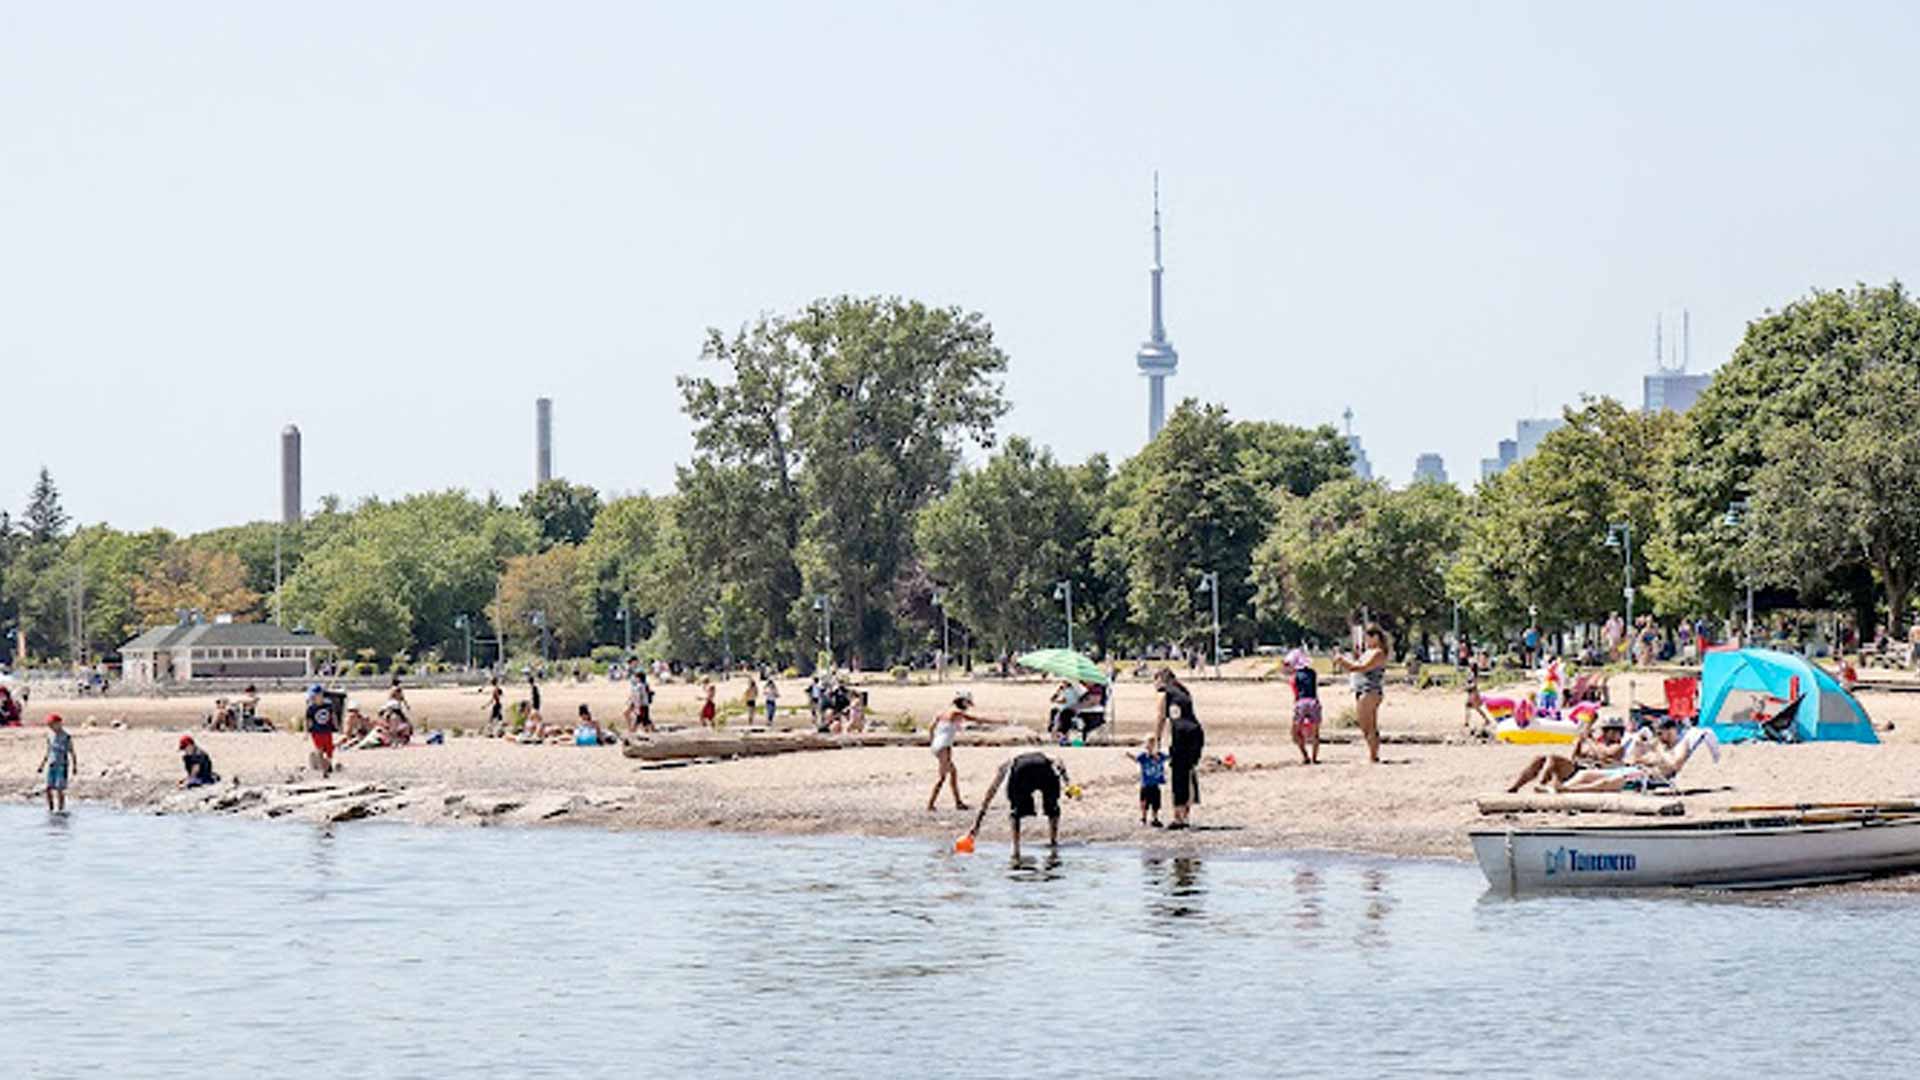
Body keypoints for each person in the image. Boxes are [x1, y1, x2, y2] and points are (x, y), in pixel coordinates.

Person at [1555, 716, 1719, 793]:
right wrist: (1641, 750)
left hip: (1651, 777)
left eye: (1661, 733)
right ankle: (1563, 788)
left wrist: (1658, 752)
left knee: (1611, 781)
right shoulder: (1659, 744)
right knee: (1586, 773)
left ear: (1671, 731)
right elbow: (1635, 758)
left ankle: (1570, 791)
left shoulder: (1681, 745)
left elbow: (1674, 765)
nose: (1659, 737)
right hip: (1637, 769)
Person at [963, 751, 1075, 859]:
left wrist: (977, 822)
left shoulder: (1008, 760)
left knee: (1016, 811)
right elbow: (1059, 762)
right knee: (1052, 806)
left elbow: (993, 789)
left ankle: (1016, 849)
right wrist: (1068, 784)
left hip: (1021, 768)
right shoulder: (1045, 754)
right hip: (1043, 765)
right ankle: (1053, 842)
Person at [1505, 714, 1627, 792]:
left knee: (1553, 758)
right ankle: (1516, 785)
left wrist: (1589, 740)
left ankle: (1541, 784)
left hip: (1591, 773)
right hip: (1578, 768)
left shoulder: (1618, 747)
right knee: (1540, 758)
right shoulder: (1597, 744)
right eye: (1604, 730)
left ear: (1616, 732)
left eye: (1607, 731)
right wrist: (1579, 742)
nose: (1604, 733)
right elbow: (1575, 757)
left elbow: (1603, 756)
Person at [1150, 668, 1205, 829]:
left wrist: (1156, 741)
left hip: (1182, 736)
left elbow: (1160, 718)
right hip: (1196, 733)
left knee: (1178, 774)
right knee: (1188, 772)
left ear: (1160, 679)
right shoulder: (1183, 691)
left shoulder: (1163, 693)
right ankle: (1185, 814)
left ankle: (1178, 816)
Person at [1334, 624, 1389, 764]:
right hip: (1362, 690)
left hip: (1370, 690)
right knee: (1365, 725)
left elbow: (1360, 667)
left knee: (1369, 725)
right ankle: (1373, 754)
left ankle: (1373, 756)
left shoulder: (1378, 653)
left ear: (1375, 637)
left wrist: (1342, 662)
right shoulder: (1368, 652)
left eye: (1368, 637)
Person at [926, 692, 985, 811]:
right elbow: (976, 719)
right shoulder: (956, 712)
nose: (968, 706)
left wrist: (933, 742)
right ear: (962, 701)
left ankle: (958, 802)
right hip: (944, 746)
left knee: (953, 773)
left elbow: (931, 728)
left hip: (938, 745)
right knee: (942, 777)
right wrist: (1000, 721)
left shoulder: (943, 712)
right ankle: (930, 804)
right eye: (967, 703)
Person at [1285, 648, 1322, 765]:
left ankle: (1305, 756)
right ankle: (1315, 758)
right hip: (1314, 701)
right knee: (1316, 734)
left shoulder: (1295, 677)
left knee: (1295, 732)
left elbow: (1296, 692)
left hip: (1301, 702)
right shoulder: (1313, 673)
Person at [38, 714, 76, 812]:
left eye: (52, 724)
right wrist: (42, 765)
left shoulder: (66, 736)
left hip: (62, 765)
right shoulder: (50, 735)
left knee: (60, 789)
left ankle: (60, 810)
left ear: (59, 724)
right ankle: (50, 809)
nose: (50, 727)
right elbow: (48, 751)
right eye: (49, 725)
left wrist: (74, 766)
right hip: (51, 764)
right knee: (48, 788)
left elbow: (72, 752)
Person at [1128, 745, 1168, 827]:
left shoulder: (1160, 756)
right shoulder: (1144, 756)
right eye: (1149, 747)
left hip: (1155, 784)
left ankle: (1155, 818)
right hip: (1146, 784)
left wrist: (1157, 757)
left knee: (1156, 803)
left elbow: (1167, 757)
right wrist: (1129, 755)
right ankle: (1144, 817)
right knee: (1144, 802)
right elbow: (1136, 760)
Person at [304, 684, 337, 776]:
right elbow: (307, 720)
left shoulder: (328, 705)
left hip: (327, 731)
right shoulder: (311, 708)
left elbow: (333, 715)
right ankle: (324, 770)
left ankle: (328, 764)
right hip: (316, 732)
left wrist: (336, 726)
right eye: (312, 696)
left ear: (321, 695)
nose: (313, 698)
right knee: (319, 750)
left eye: (315, 696)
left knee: (329, 750)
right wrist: (306, 732)